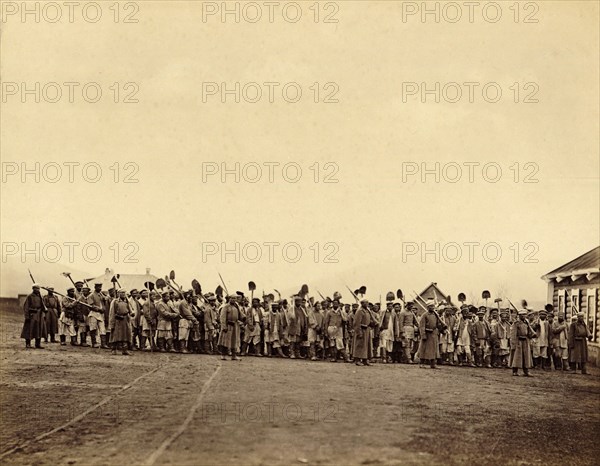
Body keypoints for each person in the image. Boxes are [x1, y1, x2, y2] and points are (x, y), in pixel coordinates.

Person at [418, 300, 443, 369]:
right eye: (431, 306)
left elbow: (438, 324)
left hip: (434, 334)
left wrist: (442, 328)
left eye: (433, 306)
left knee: (434, 349)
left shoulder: (435, 315)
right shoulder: (424, 315)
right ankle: (422, 363)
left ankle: (433, 364)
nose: (432, 307)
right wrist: (423, 335)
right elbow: (422, 326)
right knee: (424, 349)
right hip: (427, 334)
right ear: (428, 307)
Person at [21, 284, 47, 349]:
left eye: (38, 289)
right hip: (32, 315)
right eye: (36, 288)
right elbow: (26, 307)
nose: (38, 290)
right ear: (33, 289)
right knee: (29, 329)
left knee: (39, 329)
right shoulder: (30, 296)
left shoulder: (41, 297)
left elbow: (43, 306)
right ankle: (28, 344)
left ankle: (38, 344)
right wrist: (27, 316)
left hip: (40, 314)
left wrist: (44, 310)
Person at [509, 309, 535, 376]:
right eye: (522, 315)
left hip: (525, 341)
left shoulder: (526, 322)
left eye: (525, 314)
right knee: (516, 356)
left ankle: (526, 371)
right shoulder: (516, 323)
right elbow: (513, 334)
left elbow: (529, 331)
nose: (524, 316)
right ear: (519, 315)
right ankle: (515, 371)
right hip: (518, 341)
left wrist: (532, 335)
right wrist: (513, 343)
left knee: (526, 356)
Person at [218, 294, 243, 361]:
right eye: (232, 298)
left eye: (235, 298)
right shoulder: (225, 307)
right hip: (227, 326)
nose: (233, 300)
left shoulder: (236, 308)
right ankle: (223, 355)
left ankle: (234, 356)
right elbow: (222, 318)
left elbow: (239, 317)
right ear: (229, 299)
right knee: (225, 341)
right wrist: (224, 326)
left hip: (235, 326)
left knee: (234, 341)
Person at [108, 289, 133, 355]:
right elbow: (112, 313)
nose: (123, 294)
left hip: (125, 319)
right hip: (117, 320)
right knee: (116, 334)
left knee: (126, 334)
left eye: (124, 293)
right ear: (118, 293)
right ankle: (113, 349)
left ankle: (125, 350)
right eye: (122, 293)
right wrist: (112, 322)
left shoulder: (127, 301)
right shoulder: (115, 301)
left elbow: (130, 310)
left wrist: (132, 313)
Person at [87, 283, 109, 349]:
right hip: (94, 313)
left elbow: (104, 304)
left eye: (100, 287)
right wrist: (98, 309)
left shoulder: (102, 295)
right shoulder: (91, 295)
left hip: (101, 314)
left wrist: (105, 299)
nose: (99, 288)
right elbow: (90, 305)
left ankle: (103, 344)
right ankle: (94, 343)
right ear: (95, 287)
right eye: (98, 287)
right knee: (93, 328)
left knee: (102, 329)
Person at [352, 298, 372, 366]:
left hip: (367, 330)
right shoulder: (359, 311)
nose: (367, 304)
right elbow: (356, 323)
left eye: (367, 302)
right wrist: (359, 332)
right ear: (362, 303)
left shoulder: (367, 310)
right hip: (361, 330)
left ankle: (365, 359)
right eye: (365, 303)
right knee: (359, 345)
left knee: (366, 346)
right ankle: (357, 360)